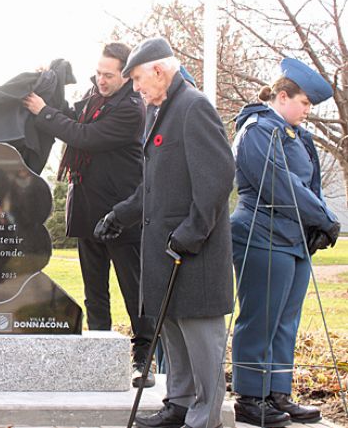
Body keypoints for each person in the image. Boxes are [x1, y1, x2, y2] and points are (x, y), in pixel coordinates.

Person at [97, 37, 235, 428]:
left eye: (138, 79)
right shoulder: (162, 112)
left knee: (201, 340)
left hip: (194, 252)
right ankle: (179, 404)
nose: (136, 88)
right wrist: (120, 215)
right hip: (167, 252)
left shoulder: (194, 107)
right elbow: (154, 186)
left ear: (158, 71)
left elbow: (217, 178)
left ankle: (204, 419)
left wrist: (192, 232)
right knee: (173, 331)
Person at [22, 43, 156, 386]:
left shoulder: (131, 109)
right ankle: (99, 355)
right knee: (94, 292)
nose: (101, 80)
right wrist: (49, 84)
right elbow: (71, 115)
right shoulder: (94, 97)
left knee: (134, 291)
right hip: (87, 209)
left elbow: (84, 136)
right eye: (98, 73)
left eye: (108, 75)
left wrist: (44, 112)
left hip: (121, 214)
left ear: (126, 75)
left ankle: (144, 359)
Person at [230, 58, 339, 427]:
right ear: (282, 96)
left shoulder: (297, 135)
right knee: (260, 319)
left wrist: (318, 222)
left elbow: (310, 185)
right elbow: (279, 183)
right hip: (261, 233)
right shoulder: (257, 130)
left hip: (293, 239)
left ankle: (277, 394)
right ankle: (250, 397)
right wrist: (322, 218)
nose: (308, 111)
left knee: (285, 321)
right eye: (304, 103)